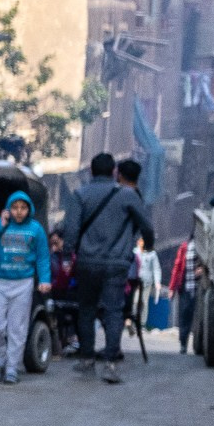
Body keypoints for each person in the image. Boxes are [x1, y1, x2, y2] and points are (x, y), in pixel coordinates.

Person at [61, 150, 156, 383]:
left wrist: (66, 256)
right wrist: (147, 247)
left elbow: (71, 230)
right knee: (114, 311)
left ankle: (86, 360)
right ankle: (111, 364)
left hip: (87, 262)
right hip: (116, 264)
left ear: (91, 171)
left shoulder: (80, 194)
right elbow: (147, 226)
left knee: (87, 309)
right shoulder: (128, 195)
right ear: (114, 171)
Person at [0, 189, 51, 383]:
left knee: (17, 327)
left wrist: (44, 280)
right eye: (15, 207)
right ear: (8, 208)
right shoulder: (0, 225)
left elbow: (43, 257)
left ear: (29, 209)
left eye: (23, 208)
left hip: (23, 283)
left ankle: (11, 368)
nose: (18, 212)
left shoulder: (36, 229)